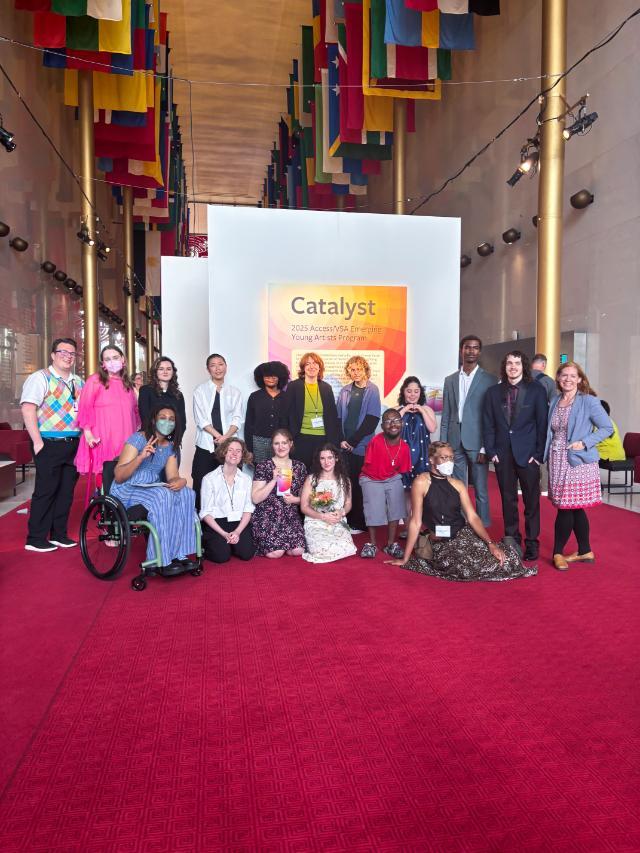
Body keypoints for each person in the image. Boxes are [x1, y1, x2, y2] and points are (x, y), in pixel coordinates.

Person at [385, 442, 536, 582]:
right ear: (431, 459)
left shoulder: (458, 484)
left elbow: (472, 517)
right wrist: (406, 558)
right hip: (439, 542)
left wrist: (490, 544)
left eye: (451, 458)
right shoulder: (421, 482)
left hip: (462, 534)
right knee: (466, 568)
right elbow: (416, 521)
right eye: (443, 458)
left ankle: (499, 546)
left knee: (505, 559)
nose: (449, 462)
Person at [109, 402, 198, 572]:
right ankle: (158, 559)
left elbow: (172, 477)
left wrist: (182, 481)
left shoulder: (170, 446)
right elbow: (119, 476)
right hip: (127, 488)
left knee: (186, 494)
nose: (167, 422)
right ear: (153, 421)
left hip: (151, 487)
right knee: (162, 495)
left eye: (171, 419)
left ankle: (179, 553)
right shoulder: (138, 439)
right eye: (162, 418)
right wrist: (141, 457)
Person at [545, 362, 613, 570]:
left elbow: (607, 427)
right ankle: (585, 550)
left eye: (573, 376)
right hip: (557, 459)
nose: (568, 379)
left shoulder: (589, 401)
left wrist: (584, 442)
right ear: (557, 378)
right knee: (574, 507)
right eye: (564, 375)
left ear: (580, 379)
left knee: (566, 507)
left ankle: (557, 552)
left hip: (577, 461)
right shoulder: (555, 400)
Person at [20, 337, 85, 552]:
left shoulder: (78, 381)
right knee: (45, 491)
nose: (67, 356)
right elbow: (28, 409)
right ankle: (36, 538)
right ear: (53, 355)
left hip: (73, 443)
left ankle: (59, 534)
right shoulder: (41, 378)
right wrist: (37, 442)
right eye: (62, 352)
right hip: (48, 442)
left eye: (72, 353)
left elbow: (83, 412)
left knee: (66, 492)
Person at [482, 351, 548, 561]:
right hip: (503, 456)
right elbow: (488, 424)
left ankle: (532, 543)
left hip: (529, 456)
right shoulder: (493, 392)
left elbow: (542, 424)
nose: (513, 367)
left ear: (523, 366)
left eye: (517, 363)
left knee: (531, 502)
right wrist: (491, 452)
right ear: (505, 366)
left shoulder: (537, 390)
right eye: (509, 363)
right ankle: (512, 539)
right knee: (508, 501)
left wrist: (538, 455)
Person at [440, 335, 497, 527]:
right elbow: (446, 415)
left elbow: (491, 418)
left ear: (479, 352)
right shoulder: (450, 380)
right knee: (457, 487)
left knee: (481, 490)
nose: (471, 351)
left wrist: (484, 447)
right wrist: (443, 445)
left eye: (475, 348)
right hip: (454, 441)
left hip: (477, 443)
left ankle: (483, 526)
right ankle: (460, 524)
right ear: (461, 350)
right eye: (467, 347)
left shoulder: (490, 380)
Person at [74, 344, 139, 482]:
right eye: (107, 359)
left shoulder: (128, 385)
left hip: (126, 438)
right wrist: (88, 434)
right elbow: (85, 407)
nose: (112, 361)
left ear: (123, 359)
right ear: (103, 364)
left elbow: (134, 413)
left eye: (115, 357)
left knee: (125, 479)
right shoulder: (95, 381)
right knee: (106, 481)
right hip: (104, 439)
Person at [192, 353, 243, 510]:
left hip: (229, 444)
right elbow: (201, 420)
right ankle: (201, 526)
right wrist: (217, 436)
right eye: (213, 365)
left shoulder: (235, 392)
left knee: (230, 484)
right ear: (208, 369)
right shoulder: (200, 391)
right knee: (201, 482)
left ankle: (228, 520)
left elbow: (237, 418)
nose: (217, 368)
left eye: (220, 364)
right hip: (206, 444)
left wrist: (225, 438)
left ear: (226, 367)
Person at [359, 409, 411, 559]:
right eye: (388, 421)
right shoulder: (375, 441)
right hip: (371, 477)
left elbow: (400, 470)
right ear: (382, 426)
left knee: (396, 505)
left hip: (391, 477)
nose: (392, 424)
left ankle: (390, 544)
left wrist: (390, 482)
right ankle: (372, 544)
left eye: (396, 420)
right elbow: (369, 467)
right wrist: (377, 486)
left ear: (402, 423)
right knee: (373, 509)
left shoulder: (405, 447)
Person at [337, 356, 381, 532]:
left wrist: (353, 442)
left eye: (358, 369)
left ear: (365, 370)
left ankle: (359, 522)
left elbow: (372, 420)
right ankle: (346, 519)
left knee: (359, 484)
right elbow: (338, 417)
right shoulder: (345, 390)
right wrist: (342, 440)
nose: (355, 373)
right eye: (352, 370)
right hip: (344, 445)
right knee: (345, 483)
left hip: (361, 445)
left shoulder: (372, 390)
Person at [251, 428, 306, 558]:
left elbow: (306, 497)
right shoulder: (263, 466)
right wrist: (274, 480)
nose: (281, 447)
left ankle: (285, 543)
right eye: (277, 443)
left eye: (284, 443)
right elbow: (256, 498)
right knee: (276, 553)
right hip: (267, 516)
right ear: (272, 446)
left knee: (298, 551)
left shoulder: (300, 467)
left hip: (290, 516)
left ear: (290, 444)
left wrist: (295, 500)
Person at [199, 437, 256, 563]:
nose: (234, 453)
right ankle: (216, 544)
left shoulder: (246, 479)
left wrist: (237, 531)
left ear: (242, 455)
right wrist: (224, 534)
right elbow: (205, 513)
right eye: (230, 450)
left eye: (238, 451)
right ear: (224, 452)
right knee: (221, 557)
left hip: (238, 523)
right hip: (217, 524)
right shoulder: (209, 479)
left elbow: (248, 509)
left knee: (246, 554)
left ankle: (232, 544)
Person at [281, 352, 341, 471]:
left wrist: (334, 443)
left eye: (314, 363)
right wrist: (287, 439)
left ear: (320, 367)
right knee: (298, 474)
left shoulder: (326, 388)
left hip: (322, 439)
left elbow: (332, 417)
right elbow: (284, 414)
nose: (311, 366)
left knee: (318, 476)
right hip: (300, 438)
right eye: (307, 363)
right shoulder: (294, 386)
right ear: (303, 368)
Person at [300, 443, 357, 563]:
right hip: (316, 521)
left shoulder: (345, 480)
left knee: (347, 547)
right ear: (318, 460)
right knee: (322, 549)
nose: (327, 462)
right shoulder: (311, 479)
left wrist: (341, 512)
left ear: (336, 458)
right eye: (323, 458)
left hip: (337, 521)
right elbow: (304, 507)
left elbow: (348, 503)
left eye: (330, 458)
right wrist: (322, 516)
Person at [397, 375, 437, 508]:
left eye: (416, 391)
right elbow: (391, 427)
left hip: (422, 457)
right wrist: (404, 409)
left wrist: (421, 410)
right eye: (409, 391)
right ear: (403, 391)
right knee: (405, 495)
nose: (412, 394)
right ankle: (409, 527)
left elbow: (432, 428)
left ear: (421, 392)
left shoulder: (428, 409)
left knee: (424, 494)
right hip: (402, 458)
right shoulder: (397, 410)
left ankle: (422, 526)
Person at [244, 361, 290, 465]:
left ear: (280, 378)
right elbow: (249, 424)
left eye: (274, 376)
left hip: (282, 444)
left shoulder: (287, 397)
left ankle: (282, 483)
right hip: (259, 444)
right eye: (267, 376)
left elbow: (291, 422)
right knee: (261, 477)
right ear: (261, 378)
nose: (270, 379)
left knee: (283, 477)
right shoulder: (254, 397)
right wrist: (249, 449)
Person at [138, 357, 187, 433]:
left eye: (168, 369)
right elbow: (145, 418)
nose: (165, 372)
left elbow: (181, 422)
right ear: (155, 372)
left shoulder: (178, 395)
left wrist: (174, 440)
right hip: (150, 439)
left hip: (171, 440)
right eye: (161, 369)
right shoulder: (145, 390)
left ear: (173, 372)